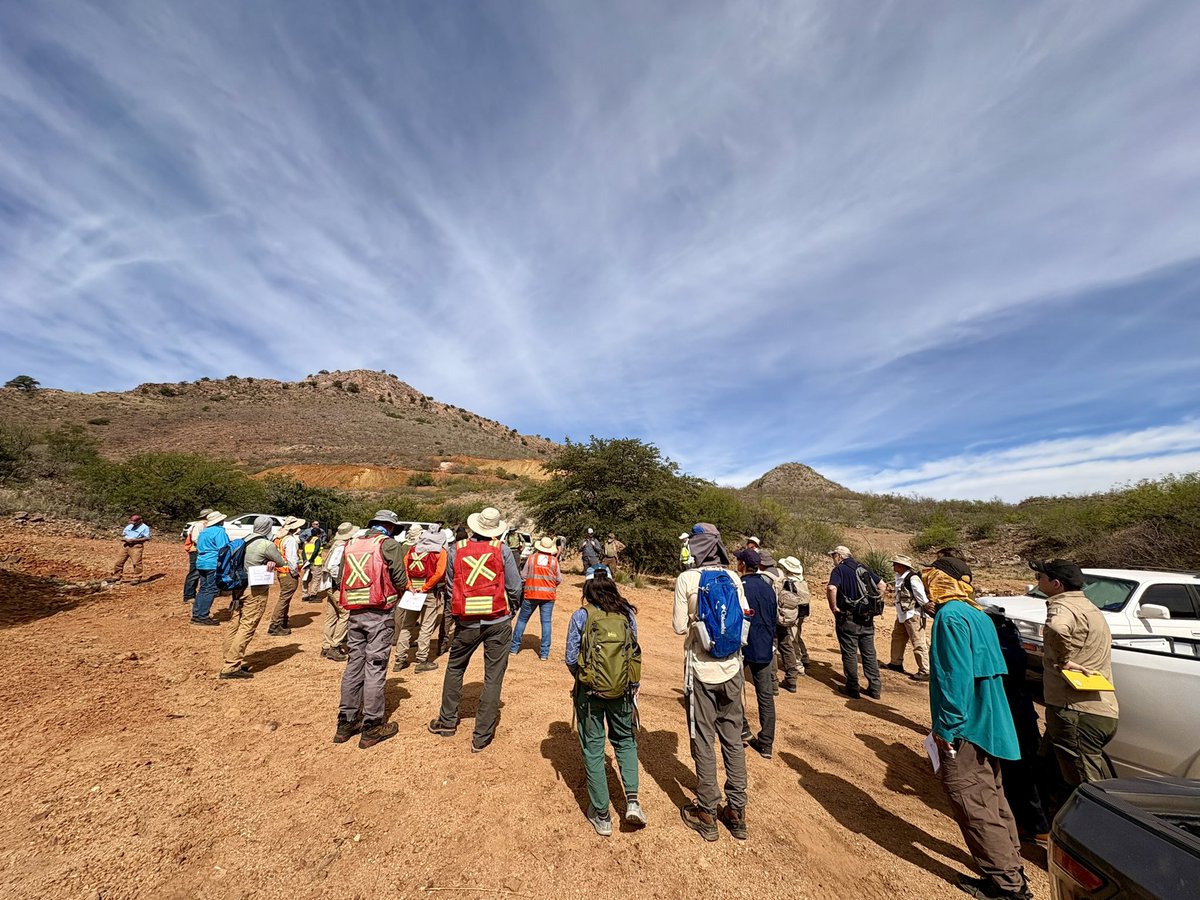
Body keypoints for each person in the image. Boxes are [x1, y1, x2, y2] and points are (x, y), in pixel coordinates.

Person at [929, 575, 1030, 900]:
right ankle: (1012, 867)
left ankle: (1006, 885)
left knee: (972, 802)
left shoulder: (949, 616)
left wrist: (947, 727)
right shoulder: (977, 613)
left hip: (966, 727)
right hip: (990, 723)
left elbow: (954, 675)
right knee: (994, 799)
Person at [674, 523, 751, 841]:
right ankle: (736, 809)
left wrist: (696, 621)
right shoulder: (733, 577)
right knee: (733, 740)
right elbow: (745, 615)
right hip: (733, 669)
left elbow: (679, 627)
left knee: (703, 739)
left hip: (701, 670)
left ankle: (707, 809)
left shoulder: (687, 579)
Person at [429, 506, 521, 753]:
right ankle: (481, 736)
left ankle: (447, 722)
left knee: (455, 668)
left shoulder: (455, 550)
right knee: (493, 676)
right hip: (498, 620)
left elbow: (450, 587)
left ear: (474, 527)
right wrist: (512, 609)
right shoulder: (502, 550)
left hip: (466, 622)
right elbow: (514, 587)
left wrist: (459, 612)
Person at [1031, 558, 1119, 817]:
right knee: (1050, 772)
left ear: (1056, 584)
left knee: (1085, 790)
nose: (1037, 581)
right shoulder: (1092, 609)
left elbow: (1057, 629)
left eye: (1041, 578)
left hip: (1075, 712)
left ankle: (1098, 847)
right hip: (1098, 708)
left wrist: (1063, 659)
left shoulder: (1062, 607)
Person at [567, 572, 645, 836]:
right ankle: (632, 802)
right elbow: (634, 652)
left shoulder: (582, 615)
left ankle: (602, 815)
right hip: (622, 692)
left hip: (589, 694)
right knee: (625, 741)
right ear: (613, 588)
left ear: (588, 590)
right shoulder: (626, 615)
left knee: (593, 748)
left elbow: (570, 656)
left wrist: (585, 679)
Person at [333, 510, 409, 748]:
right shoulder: (389, 545)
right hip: (380, 612)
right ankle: (372, 725)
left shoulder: (352, 544)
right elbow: (399, 578)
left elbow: (339, 577)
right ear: (390, 526)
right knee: (375, 667)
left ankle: (346, 723)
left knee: (354, 664)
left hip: (355, 612)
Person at [984, 606, 1051, 844]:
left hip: (1011, 713)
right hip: (1023, 712)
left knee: (1019, 771)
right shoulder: (1012, 639)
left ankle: (1035, 825)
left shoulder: (999, 645)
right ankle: (1037, 823)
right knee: (1029, 768)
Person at [220, 516, 284, 679]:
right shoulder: (266, 544)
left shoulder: (242, 540)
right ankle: (231, 666)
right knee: (248, 625)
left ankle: (229, 657)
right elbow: (281, 562)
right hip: (255, 590)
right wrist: (270, 561)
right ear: (269, 528)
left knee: (234, 622)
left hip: (238, 587)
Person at [826, 545, 885, 699]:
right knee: (869, 653)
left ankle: (852, 687)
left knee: (850, 652)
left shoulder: (839, 570)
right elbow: (882, 585)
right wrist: (873, 603)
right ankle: (875, 688)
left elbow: (832, 588)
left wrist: (834, 607)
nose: (833, 559)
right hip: (866, 617)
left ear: (839, 556)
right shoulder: (862, 567)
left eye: (834, 556)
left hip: (848, 616)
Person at [737, 549, 777, 760]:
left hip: (743, 646)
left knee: (734, 690)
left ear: (743, 564)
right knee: (765, 696)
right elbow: (774, 618)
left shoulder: (739, 587)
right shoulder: (768, 588)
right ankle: (767, 743)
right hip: (764, 647)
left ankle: (741, 729)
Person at [394, 527, 449, 673]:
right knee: (427, 625)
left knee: (407, 625)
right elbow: (439, 573)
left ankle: (399, 659)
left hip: (412, 592)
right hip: (429, 592)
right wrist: (425, 587)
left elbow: (404, 568)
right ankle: (422, 659)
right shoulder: (440, 552)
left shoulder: (413, 549)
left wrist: (409, 586)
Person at [511, 536, 562, 659]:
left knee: (522, 620)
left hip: (531, 595)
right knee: (546, 622)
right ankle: (544, 654)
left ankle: (514, 648)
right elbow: (559, 579)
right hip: (548, 596)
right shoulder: (554, 561)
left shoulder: (532, 559)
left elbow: (523, 576)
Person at [885, 554, 932, 682]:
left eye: (895, 564)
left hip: (913, 614)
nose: (893, 566)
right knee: (898, 637)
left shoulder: (912, 578)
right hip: (904, 613)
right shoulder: (901, 577)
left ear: (901, 566)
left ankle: (925, 670)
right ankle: (895, 663)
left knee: (918, 642)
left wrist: (926, 607)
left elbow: (921, 597)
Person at [319, 522, 356, 662]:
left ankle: (326, 646)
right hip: (336, 587)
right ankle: (335, 646)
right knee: (345, 614)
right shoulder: (342, 547)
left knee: (332, 615)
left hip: (329, 586)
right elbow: (333, 567)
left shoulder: (336, 544)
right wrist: (341, 584)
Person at [775, 556, 811, 690]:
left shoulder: (789, 582)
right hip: (801, 613)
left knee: (792, 638)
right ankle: (804, 657)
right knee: (797, 635)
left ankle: (798, 665)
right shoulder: (802, 581)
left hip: (792, 614)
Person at [267, 516, 305, 636]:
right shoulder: (290, 540)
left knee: (285, 597)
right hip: (288, 572)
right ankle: (275, 624)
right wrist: (294, 573)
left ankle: (282, 620)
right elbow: (292, 559)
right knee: (284, 598)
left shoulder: (279, 538)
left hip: (281, 572)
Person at [192, 511, 229, 626]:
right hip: (212, 563)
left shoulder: (204, 532)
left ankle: (196, 614)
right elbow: (223, 548)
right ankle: (203, 616)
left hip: (201, 562)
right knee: (212, 589)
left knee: (203, 588)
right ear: (219, 521)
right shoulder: (219, 531)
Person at [182, 508, 213, 605]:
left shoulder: (203, 525)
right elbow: (195, 539)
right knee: (194, 573)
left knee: (197, 572)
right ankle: (188, 595)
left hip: (199, 550)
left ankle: (193, 594)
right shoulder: (199, 525)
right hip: (196, 551)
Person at [112, 514, 151, 584]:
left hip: (136, 546)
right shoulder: (129, 526)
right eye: (132, 522)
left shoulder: (145, 527)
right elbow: (123, 535)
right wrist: (124, 539)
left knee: (136, 562)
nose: (133, 524)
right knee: (119, 561)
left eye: (134, 522)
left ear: (139, 521)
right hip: (126, 545)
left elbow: (147, 538)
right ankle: (116, 576)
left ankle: (137, 577)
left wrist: (134, 540)